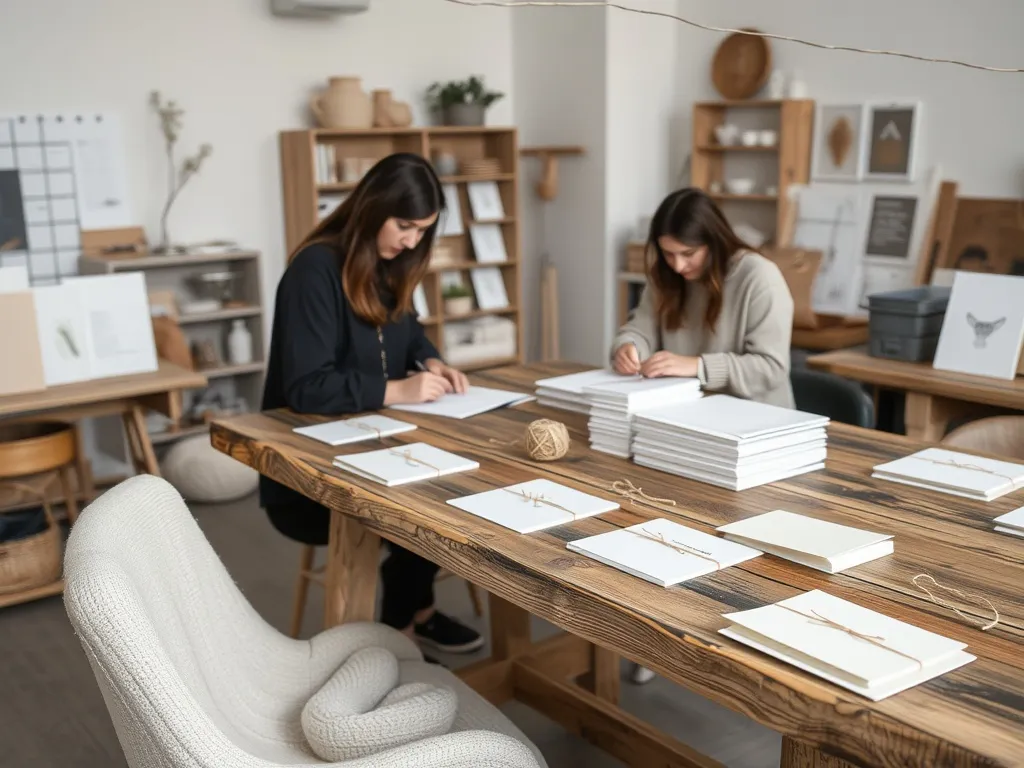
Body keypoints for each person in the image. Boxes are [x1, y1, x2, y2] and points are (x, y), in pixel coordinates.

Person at [260, 152, 483, 655]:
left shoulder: (391, 263)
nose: (411, 241)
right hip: (307, 473)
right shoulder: (314, 271)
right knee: (419, 505)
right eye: (404, 225)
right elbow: (305, 387)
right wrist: (395, 391)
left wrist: (430, 363)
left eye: (422, 231)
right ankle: (397, 638)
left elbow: (410, 333)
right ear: (373, 207)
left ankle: (414, 616)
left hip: (374, 441)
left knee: (447, 487)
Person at [609, 187, 795, 684]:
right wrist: (629, 346)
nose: (678, 264)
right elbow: (640, 325)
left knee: (729, 554)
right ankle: (663, 638)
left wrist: (697, 366)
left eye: (688, 253)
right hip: (688, 433)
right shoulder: (668, 275)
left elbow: (771, 369)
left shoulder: (758, 277)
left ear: (714, 242)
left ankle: (733, 654)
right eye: (667, 254)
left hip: (757, 440)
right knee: (659, 531)